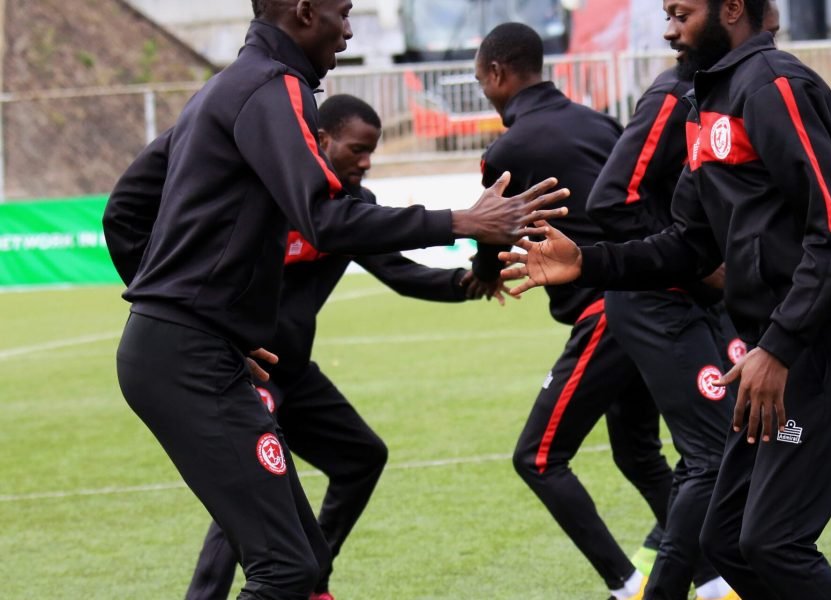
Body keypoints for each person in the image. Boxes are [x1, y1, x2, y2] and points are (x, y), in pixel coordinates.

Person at [101, 1, 568, 597]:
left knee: (305, 561)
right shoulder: (275, 86)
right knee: (285, 570)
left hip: (196, 349)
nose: (349, 31)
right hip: (187, 356)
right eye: (342, 13)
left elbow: (125, 210)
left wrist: (194, 318)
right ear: (302, 11)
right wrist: (463, 221)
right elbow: (324, 218)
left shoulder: (222, 90)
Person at [497, 0, 831, 596]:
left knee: (774, 540)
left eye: (680, 13)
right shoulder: (704, 100)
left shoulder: (775, 86)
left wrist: (778, 349)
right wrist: (589, 261)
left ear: (731, 8)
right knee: (726, 538)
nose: (668, 29)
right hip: (776, 340)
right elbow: (689, 242)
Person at [179, 94, 495, 600]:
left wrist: (466, 282)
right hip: (246, 370)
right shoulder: (269, 198)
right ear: (321, 140)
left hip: (295, 371)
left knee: (362, 458)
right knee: (255, 483)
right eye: (357, 149)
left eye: (372, 151)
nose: (366, 162)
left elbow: (399, 273)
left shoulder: (351, 210)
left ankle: (313, 581)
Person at [469, 22, 674, 599]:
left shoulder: (505, 151)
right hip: (651, 297)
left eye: (483, 79)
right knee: (638, 454)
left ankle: (628, 585)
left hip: (603, 311)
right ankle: (713, 581)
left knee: (537, 458)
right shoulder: (599, 123)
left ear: (496, 74)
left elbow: (492, 230)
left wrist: (485, 275)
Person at [585, 50, 739, 600]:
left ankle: (727, 571)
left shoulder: (740, 94)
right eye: (671, 14)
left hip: (706, 299)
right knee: (714, 454)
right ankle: (677, 586)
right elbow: (613, 199)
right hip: (660, 300)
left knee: (736, 444)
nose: (671, 30)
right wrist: (695, 262)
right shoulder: (674, 95)